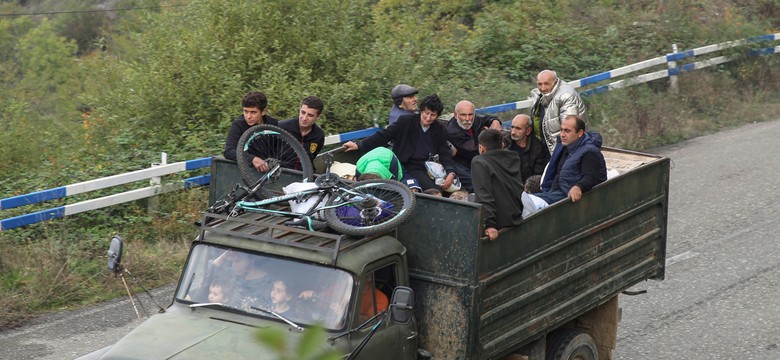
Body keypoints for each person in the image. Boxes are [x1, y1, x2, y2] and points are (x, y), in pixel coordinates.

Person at [343, 94, 457, 192]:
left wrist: (450, 172)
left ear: (437, 116)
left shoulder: (440, 129)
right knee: (433, 192)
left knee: (438, 189)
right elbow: (384, 135)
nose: (428, 118)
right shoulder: (406, 121)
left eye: (433, 115)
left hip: (426, 165)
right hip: (404, 164)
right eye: (426, 113)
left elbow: (444, 153)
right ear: (421, 110)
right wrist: (359, 144)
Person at [535, 115, 607, 205]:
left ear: (580, 133)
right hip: (557, 193)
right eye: (561, 130)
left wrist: (578, 187)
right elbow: (559, 174)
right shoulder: (567, 148)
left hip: (569, 196)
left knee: (533, 203)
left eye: (567, 131)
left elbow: (590, 177)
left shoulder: (589, 152)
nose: (562, 134)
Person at [471, 129, 525, 241]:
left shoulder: (479, 162)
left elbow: (484, 195)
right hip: (516, 216)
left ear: (481, 148)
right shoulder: (513, 157)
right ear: (502, 145)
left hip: (498, 222)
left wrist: (489, 224)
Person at [446, 100, 502, 192]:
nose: (467, 119)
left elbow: (486, 118)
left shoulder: (473, 120)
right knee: (477, 183)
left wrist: (495, 121)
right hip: (463, 164)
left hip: (479, 161)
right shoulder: (453, 132)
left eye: (470, 114)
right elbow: (475, 151)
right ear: (456, 115)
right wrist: (486, 133)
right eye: (463, 115)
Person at [529, 70, 588, 154]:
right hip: (545, 148)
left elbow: (569, 131)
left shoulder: (566, 96)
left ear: (555, 82)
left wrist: (561, 157)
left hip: (565, 150)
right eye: (540, 84)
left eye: (546, 83)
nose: (542, 88)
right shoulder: (539, 95)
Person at [223, 91, 279, 162]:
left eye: (253, 112)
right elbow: (229, 151)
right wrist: (252, 159)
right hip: (246, 168)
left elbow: (278, 148)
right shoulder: (238, 125)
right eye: (246, 111)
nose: (248, 116)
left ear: (263, 111)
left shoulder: (272, 123)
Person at [278, 96, 326, 172]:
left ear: (318, 117)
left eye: (310, 115)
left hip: (304, 175)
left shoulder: (319, 135)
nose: (304, 118)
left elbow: (312, 156)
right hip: (280, 173)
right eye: (303, 112)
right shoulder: (281, 127)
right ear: (299, 110)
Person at [508, 114, 550, 181]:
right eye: (512, 127)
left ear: (528, 131)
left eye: (518, 128)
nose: (513, 132)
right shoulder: (505, 142)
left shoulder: (538, 149)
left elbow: (537, 176)